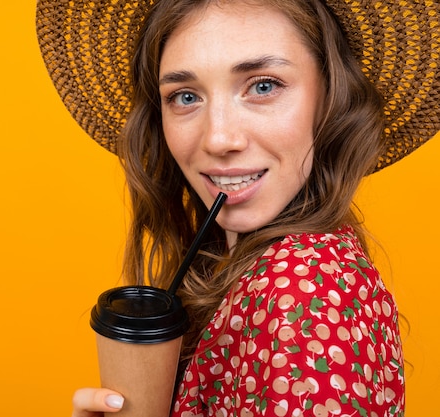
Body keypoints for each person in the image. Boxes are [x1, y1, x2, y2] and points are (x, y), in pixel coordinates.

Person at [36, 0, 439, 415]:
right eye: (186, 96)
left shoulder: (302, 290)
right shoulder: (243, 272)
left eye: (263, 86)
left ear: (331, 98)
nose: (218, 138)